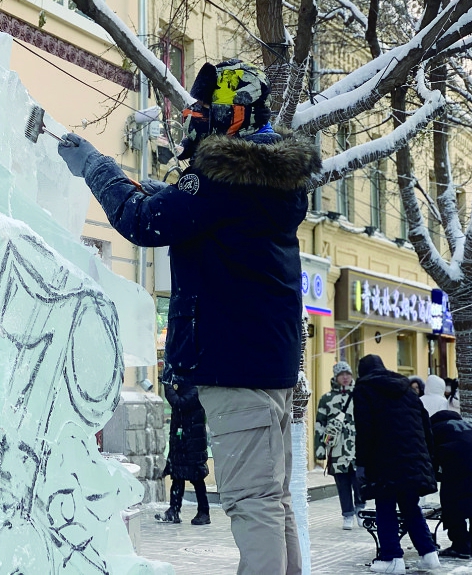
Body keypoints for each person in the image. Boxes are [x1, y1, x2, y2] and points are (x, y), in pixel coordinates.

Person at [57, 58, 321, 575]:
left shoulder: (222, 179)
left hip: (235, 367)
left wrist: (96, 167)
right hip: (264, 364)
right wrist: (169, 194)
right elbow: (207, 218)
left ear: (230, 116)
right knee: (272, 501)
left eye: (203, 111)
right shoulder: (264, 179)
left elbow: (143, 222)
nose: (193, 120)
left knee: (253, 503)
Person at [353, 354, 440, 573]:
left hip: (384, 459)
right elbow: (426, 425)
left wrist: (362, 463)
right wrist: (428, 458)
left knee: (385, 506)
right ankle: (429, 554)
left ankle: (392, 558)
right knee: (411, 506)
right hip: (414, 458)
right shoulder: (407, 389)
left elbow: (365, 429)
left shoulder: (364, 389)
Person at [314, 360, 365, 530]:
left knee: (359, 481)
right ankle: (347, 514)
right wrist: (320, 449)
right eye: (341, 374)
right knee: (342, 484)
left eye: (347, 374)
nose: (345, 377)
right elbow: (320, 425)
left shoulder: (359, 396)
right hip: (336, 449)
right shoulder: (327, 399)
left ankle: (360, 510)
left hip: (357, 448)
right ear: (335, 377)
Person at [430, 409, 472, 559]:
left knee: (452, 506)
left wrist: (434, 475)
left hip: (457, 470)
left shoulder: (435, 428)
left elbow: (430, 454)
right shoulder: (470, 426)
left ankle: (461, 546)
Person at [156, 382, 210, 525]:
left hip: (192, 441)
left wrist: (167, 387)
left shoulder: (195, 389)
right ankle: (173, 510)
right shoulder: (184, 388)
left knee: (197, 477)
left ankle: (204, 512)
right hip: (181, 440)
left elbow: (179, 404)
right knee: (177, 476)